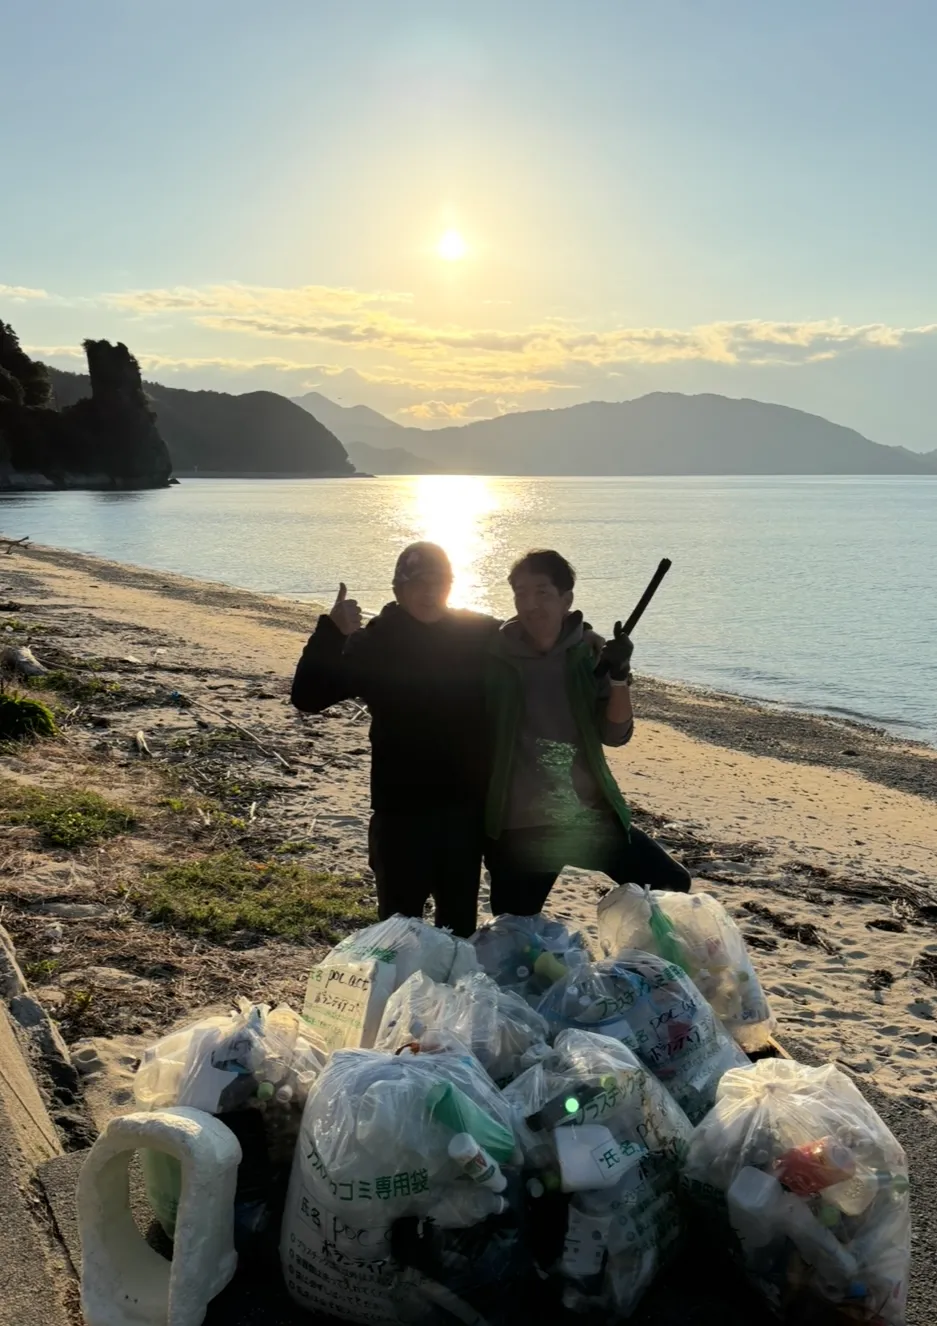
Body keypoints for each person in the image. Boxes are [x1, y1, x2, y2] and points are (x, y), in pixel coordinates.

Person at [290, 542, 498, 937]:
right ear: (398, 589)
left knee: (459, 935)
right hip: (400, 815)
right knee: (398, 934)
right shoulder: (375, 642)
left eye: (440, 582)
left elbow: (536, 632)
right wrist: (331, 631)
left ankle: (449, 1001)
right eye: (418, 583)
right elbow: (308, 696)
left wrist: (584, 633)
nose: (430, 591)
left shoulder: (476, 633)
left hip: (463, 817)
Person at [483, 549, 691, 916]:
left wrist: (619, 675)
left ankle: (634, 966)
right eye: (520, 592)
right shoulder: (493, 654)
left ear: (567, 600)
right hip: (522, 825)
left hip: (586, 816)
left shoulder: (590, 655)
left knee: (670, 882)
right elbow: (447, 622)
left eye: (542, 592)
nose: (529, 604)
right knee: (513, 931)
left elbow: (615, 735)